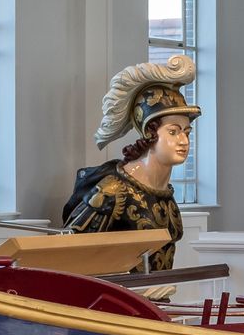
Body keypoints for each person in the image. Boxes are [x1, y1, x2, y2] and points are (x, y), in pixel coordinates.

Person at [62, 54, 198, 272]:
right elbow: (71, 252)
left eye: (187, 133)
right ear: (149, 133)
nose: (183, 141)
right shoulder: (113, 190)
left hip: (157, 298)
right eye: (173, 132)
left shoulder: (166, 194)